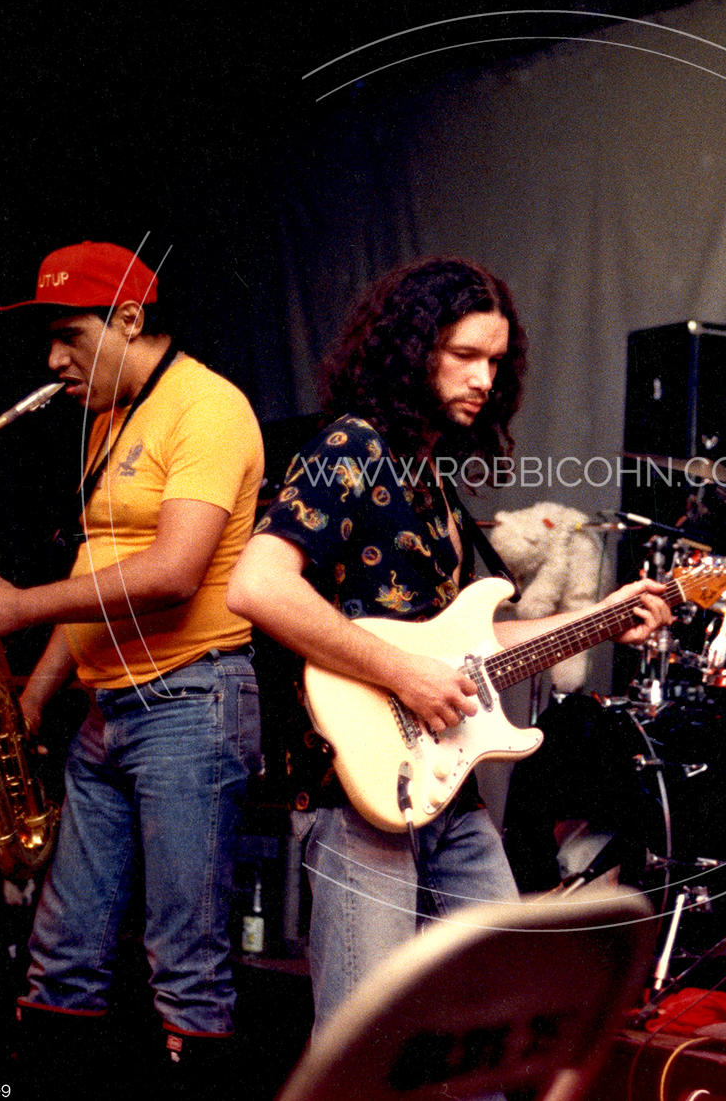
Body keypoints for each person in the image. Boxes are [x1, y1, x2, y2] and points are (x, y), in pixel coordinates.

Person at [226, 256, 672, 1028]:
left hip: (445, 785)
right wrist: (404, 674)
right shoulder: (353, 447)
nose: (483, 379)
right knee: (371, 1036)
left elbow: (476, 642)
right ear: (412, 350)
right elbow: (257, 585)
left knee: (495, 1019)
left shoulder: (431, 479)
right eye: (465, 355)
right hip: (356, 789)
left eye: (495, 361)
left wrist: (603, 616)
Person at [0, 241, 264, 1095]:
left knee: (186, 964)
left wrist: (19, 606)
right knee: (61, 959)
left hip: (191, 700)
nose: (54, 360)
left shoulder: (209, 407)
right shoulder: (108, 413)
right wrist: (32, 695)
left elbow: (173, 572)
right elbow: (100, 568)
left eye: (70, 337)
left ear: (128, 319)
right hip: (107, 711)